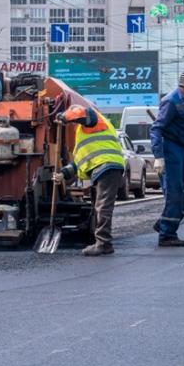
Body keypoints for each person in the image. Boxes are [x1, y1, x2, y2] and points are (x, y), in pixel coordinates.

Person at [53, 104, 125, 256]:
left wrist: (63, 117)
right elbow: (79, 162)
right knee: (100, 206)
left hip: (107, 165)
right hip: (103, 168)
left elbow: (81, 112)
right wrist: (63, 174)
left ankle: (103, 243)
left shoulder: (96, 120)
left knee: (103, 206)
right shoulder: (84, 134)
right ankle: (102, 242)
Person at [150, 68, 184, 247]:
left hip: (180, 148)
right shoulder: (171, 101)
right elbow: (156, 128)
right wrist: (159, 156)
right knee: (175, 192)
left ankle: (165, 223)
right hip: (169, 147)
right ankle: (166, 234)